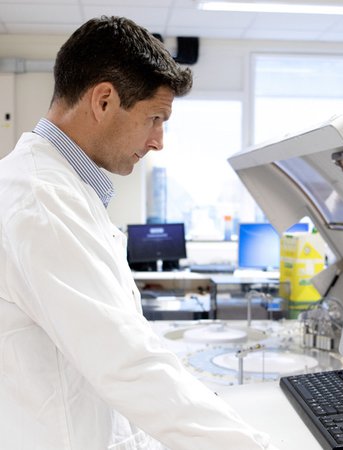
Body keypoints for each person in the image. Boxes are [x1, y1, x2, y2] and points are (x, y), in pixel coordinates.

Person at [0, 16, 274, 450]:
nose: (158, 140)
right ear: (104, 100)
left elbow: (121, 349)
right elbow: (126, 363)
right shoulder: (41, 200)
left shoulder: (62, 190)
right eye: (154, 118)